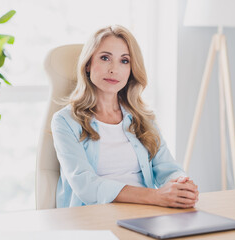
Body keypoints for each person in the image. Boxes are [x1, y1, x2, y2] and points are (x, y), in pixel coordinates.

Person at [51, 25, 199, 208]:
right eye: (105, 58)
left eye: (124, 61)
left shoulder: (143, 118)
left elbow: (168, 167)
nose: (114, 69)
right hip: (93, 217)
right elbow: (85, 186)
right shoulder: (65, 121)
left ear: (131, 69)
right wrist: (156, 196)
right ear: (88, 64)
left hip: (145, 213)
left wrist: (181, 184)